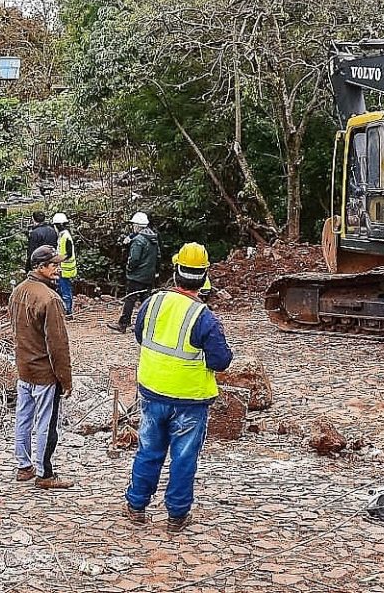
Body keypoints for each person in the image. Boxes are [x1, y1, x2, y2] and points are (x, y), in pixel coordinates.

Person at [123, 242, 233, 532]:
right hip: (189, 400)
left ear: (175, 272)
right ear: (204, 276)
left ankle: (136, 505)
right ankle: (177, 516)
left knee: (148, 450)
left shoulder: (152, 303)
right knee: (183, 459)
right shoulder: (205, 317)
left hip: (152, 392)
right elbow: (221, 361)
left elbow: (140, 335)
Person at [10, 245, 75, 490]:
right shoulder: (50, 299)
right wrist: (65, 379)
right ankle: (44, 473)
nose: (58, 269)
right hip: (44, 373)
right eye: (54, 265)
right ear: (40, 267)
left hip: (24, 368)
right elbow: (58, 345)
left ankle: (23, 466)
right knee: (46, 423)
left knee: (23, 419)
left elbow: (16, 332)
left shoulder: (17, 291)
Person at [107, 211, 159, 333]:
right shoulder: (153, 238)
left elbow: (134, 259)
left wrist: (129, 268)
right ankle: (148, 325)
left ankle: (123, 324)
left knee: (130, 299)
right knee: (146, 300)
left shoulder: (139, 241)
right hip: (148, 275)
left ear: (137, 225)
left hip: (137, 276)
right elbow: (158, 256)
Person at [53, 212, 77, 319]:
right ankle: (65, 310)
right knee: (62, 289)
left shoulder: (65, 237)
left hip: (66, 269)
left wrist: (57, 259)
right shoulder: (62, 235)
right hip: (63, 268)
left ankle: (68, 312)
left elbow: (69, 254)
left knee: (66, 291)